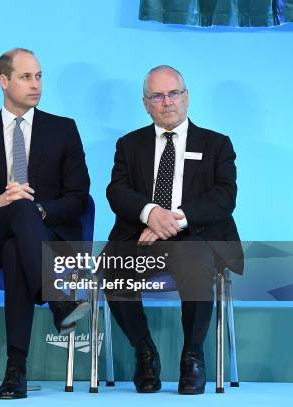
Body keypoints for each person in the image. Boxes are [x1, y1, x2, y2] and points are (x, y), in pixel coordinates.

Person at [0, 48, 91, 399]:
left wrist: (38, 211)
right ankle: (57, 300)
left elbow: (78, 197)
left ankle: (15, 368)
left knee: (19, 241)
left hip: (47, 237)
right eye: (26, 77)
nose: (36, 84)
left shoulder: (63, 130)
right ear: (4, 81)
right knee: (15, 207)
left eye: (39, 76)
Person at [104, 65, 243, 395]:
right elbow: (117, 191)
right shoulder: (129, 144)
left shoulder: (217, 144)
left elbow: (225, 198)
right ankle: (144, 352)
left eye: (173, 93)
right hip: (141, 237)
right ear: (145, 103)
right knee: (111, 269)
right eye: (157, 96)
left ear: (187, 97)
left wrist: (172, 219)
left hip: (194, 235)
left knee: (195, 261)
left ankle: (192, 356)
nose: (167, 102)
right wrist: (150, 213)